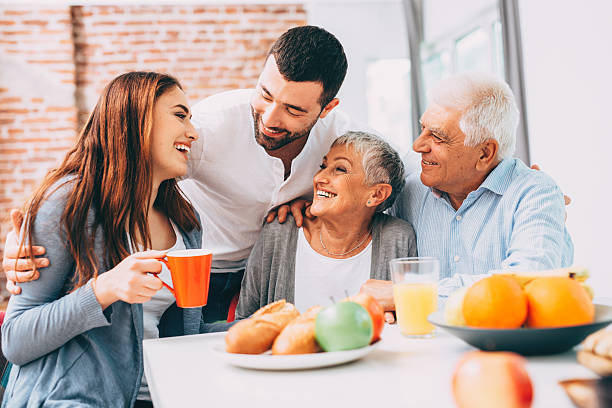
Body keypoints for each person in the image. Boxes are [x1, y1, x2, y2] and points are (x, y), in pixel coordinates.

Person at [2, 25, 383, 322]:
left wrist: (316, 194)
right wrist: (26, 235)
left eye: (294, 111)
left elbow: (389, 179)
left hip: (265, 269)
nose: (270, 119)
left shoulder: (339, 140)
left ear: (327, 108)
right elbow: (112, 167)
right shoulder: (208, 127)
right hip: (197, 272)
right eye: (265, 94)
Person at [1, 72, 228, 408]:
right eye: (180, 115)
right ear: (136, 119)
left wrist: (265, 326)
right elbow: (15, 339)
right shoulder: (69, 204)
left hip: (161, 395)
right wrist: (103, 290)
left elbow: (181, 338)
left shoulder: (185, 223)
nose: (192, 132)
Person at [389, 72, 573, 279]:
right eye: (423, 129)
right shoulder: (408, 192)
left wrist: (414, 292)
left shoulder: (535, 193)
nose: (417, 146)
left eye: (437, 137)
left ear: (485, 153)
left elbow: (525, 282)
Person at [236, 131, 416, 318]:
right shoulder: (280, 230)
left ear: (376, 195)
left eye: (340, 169)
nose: (318, 178)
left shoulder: (397, 237)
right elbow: (243, 322)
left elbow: (408, 318)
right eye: (323, 166)